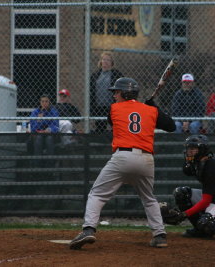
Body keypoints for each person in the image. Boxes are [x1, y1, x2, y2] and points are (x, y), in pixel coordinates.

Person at [69, 77, 176, 250]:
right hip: (147, 160)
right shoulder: (150, 110)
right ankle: (160, 235)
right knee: (149, 199)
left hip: (123, 157)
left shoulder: (114, 109)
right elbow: (171, 126)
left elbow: (115, 120)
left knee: (97, 194)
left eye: (117, 92)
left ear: (125, 93)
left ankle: (88, 229)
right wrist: (153, 108)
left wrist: (146, 107)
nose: (114, 96)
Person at [159, 135, 215, 241]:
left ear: (202, 150)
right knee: (181, 193)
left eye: (193, 149)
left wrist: (183, 214)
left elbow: (205, 201)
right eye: (188, 149)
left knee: (206, 222)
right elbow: (186, 170)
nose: (189, 152)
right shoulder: (198, 163)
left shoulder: (211, 166)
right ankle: (200, 230)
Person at [90, 52, 123, 133]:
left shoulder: (116, 74)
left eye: (108, 60)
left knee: (115, 126)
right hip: (99, 106)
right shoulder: (95, 75)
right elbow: (91, 91)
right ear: (100, 61)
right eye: (104, 59)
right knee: (100, 127)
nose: (105, 61)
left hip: (112, 105)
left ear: (112, 62)